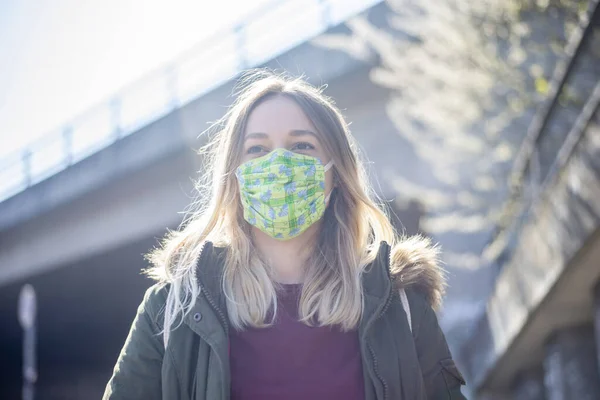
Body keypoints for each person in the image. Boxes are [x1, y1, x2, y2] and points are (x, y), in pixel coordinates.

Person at [103, 70, 466, 400]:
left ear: (336, 171)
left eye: (301, 146)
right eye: (257, 149)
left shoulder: (398, 306)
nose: (278, 165)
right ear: (235, 174)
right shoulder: (173, 310)